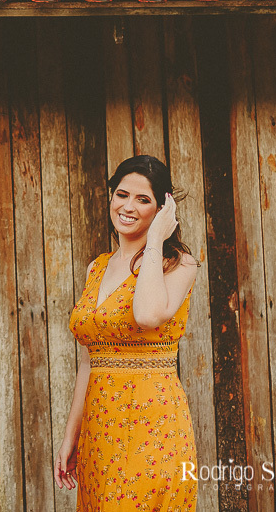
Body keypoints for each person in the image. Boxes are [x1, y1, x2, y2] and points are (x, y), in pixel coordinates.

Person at [54, 155, 199, 510]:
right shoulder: (97, 267)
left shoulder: (177, 263)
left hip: (153, 424)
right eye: (122, 194)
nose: (128, 206)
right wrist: (71, 436)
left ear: (163, 208)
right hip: (100, 429)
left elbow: (148, 315)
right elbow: (90, 361)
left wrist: (154, 242)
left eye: (143, 199)